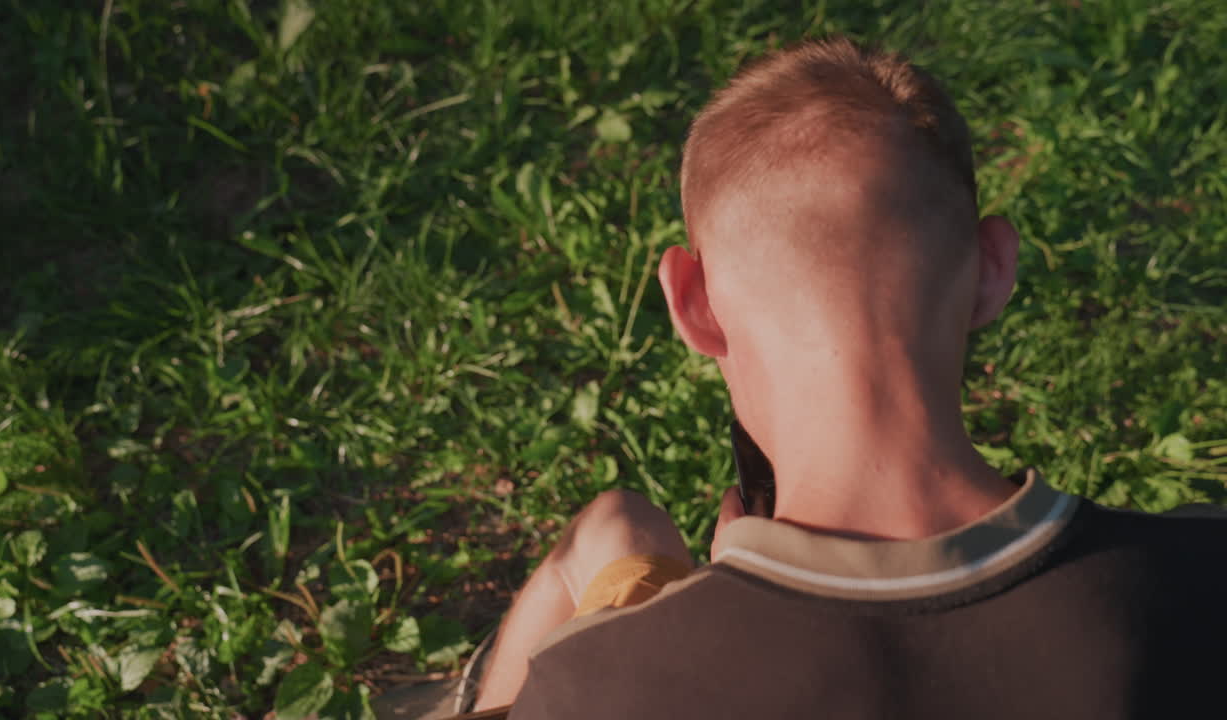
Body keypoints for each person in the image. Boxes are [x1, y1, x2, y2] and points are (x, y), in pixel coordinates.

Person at [452, 35, 1227, 719]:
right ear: (994, 268)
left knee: (617, 532)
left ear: (690, 303)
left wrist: (714, 611)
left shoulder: (601, 681)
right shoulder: (1200, 585)